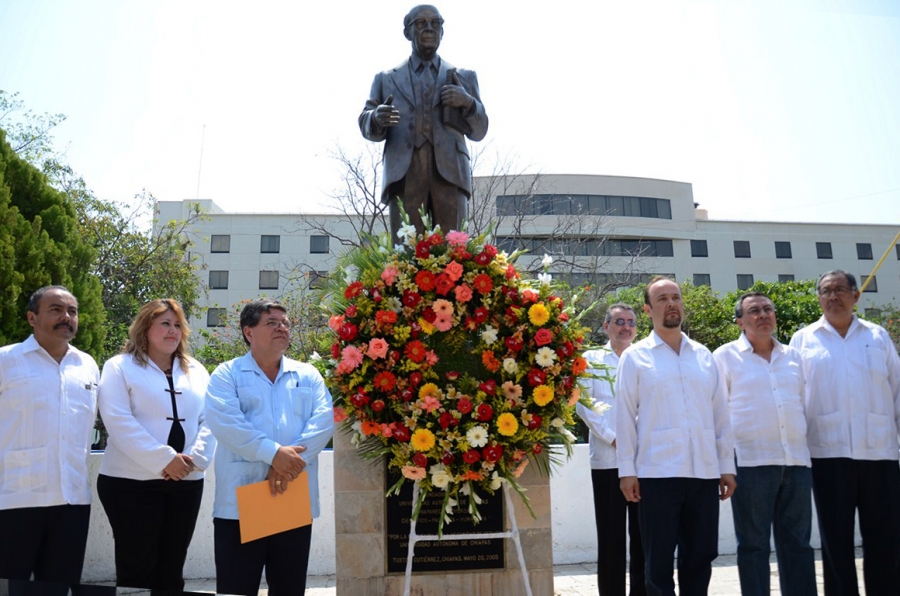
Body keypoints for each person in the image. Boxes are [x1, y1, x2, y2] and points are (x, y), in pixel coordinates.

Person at [616, 276, 736, 596]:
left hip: (703, 473)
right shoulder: (635, 357)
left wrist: (726, 466)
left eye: (676, 297)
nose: (671, 303)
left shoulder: (704, 356)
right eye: (662, 299)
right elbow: (624, 416)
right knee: (657, 563)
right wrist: (626, 470)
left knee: (700, 557)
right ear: (648, 309)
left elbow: (721, 415)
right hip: (657, 474)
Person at [205, 299, 334, 596]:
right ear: (249, 332)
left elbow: (324, 420)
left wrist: (288, 464)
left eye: (285, 322)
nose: (282, 327)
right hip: (242, 499)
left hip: (290, 494)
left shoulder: (308, 375)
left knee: (289, 587)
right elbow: (226, 424)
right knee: (236, 587)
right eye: (272, 322)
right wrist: (274, 454)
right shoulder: (227, 374)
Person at [789, 270, 900, 594]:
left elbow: (897, 391)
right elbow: (793, 395)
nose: (833, 297)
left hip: (879, 451)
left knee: (886, 539)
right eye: (826, 291)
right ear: (819, 297)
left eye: (840, 290)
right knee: (835, 540)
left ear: (856, 296)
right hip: (827, 453)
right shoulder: (804, 340)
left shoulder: (877, 336)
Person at [96, 299, 216, 594]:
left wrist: (196, 460)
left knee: (172, 569)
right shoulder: (119, 367)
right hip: (129, 484)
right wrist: (164, 459)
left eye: (177, 325)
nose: (172, 330)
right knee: (136, 569)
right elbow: (118, 420)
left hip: (186, 482)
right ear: (145, 328)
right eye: (165, 323)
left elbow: (211, 418)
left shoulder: (197, 370)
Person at [713, 292, 816, 596]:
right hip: (750, 465)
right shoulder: (724, 357)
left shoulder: (794, 358)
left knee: (798, 544)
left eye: (767, 309)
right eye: (754, 311)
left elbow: (805, 405)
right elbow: (717, 415)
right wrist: (724, 466)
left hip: (796, 463)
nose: (763, 315)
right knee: (754, 546)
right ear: (740, 322)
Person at [359, 4, 489, 243]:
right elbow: (365, 120)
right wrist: (376, 117)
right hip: (405, 173)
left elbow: (480, 131)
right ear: (408, 32)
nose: (429, 28)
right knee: (405, 254)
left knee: (455, 253)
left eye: (435, 23)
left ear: (442, 31)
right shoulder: (386, 79)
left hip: (451, 174)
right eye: (421, 23)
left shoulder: (464, 77)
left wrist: (468, 103)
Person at [0, 286, 99, 593]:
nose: (66, 317)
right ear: (32, 317)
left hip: (72, 502)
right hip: (15, 498)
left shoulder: (88, 366)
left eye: (72, 311)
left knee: (56, 589)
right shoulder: (6, 361)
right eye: (55, 309)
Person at [577, 304, 645, 596]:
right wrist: (616, 438)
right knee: (611, 537)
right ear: (606, 326)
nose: (625, 327)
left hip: (644, 462)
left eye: (631, 322)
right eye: (619, 321)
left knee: (644, 538)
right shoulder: (590, 359)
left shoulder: (645, 359)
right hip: (608, 461)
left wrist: (639, 441)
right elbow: (584, 405)